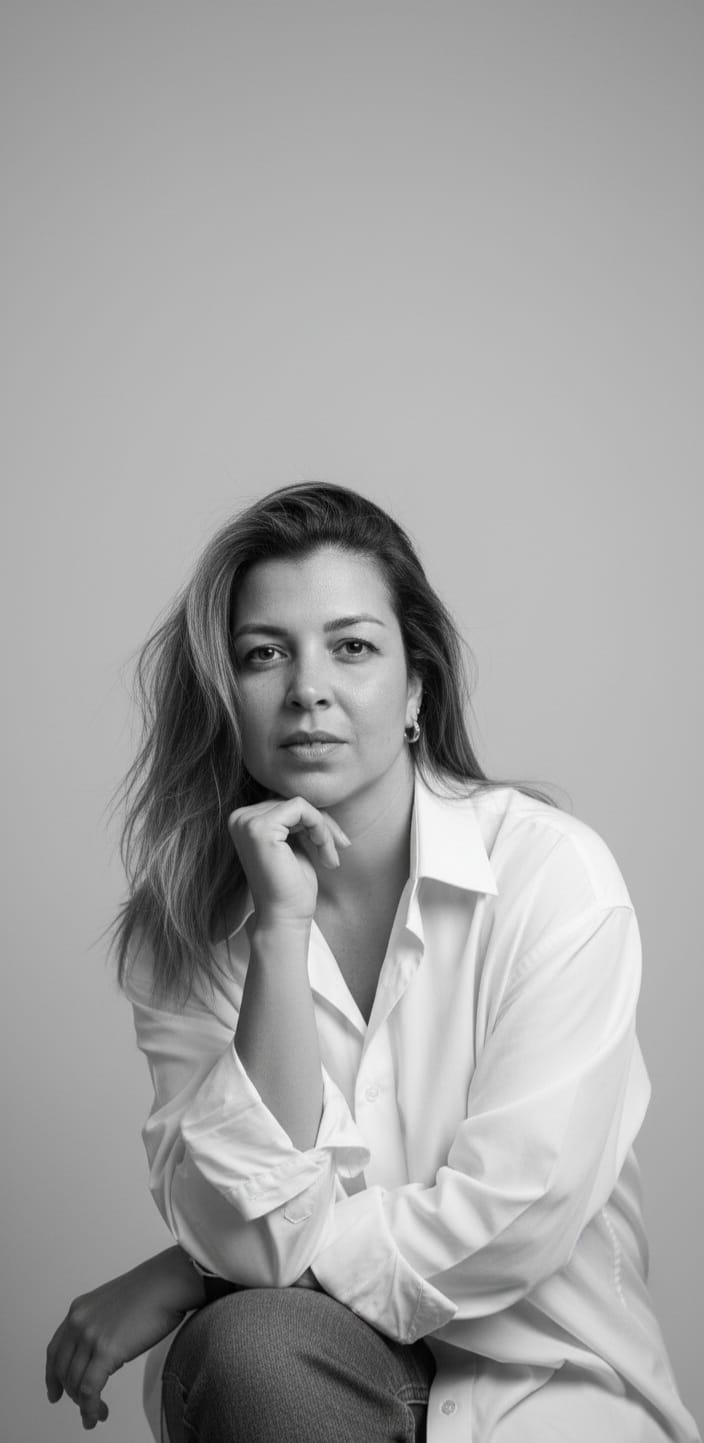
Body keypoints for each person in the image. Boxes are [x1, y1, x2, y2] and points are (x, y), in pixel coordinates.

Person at [46, 482, 699, 1442]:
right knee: (251, 1349)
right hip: (309, 1383)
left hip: (545, 1390)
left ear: (417, 689)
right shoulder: (184, 934)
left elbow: (516, 1213)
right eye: (264, 653)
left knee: (246, 1323)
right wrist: (278, 927)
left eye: (351, 647)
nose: (307, 688)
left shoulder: (551, 875)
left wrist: (189, 1273)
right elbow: (243, 1236)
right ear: (228, 695)